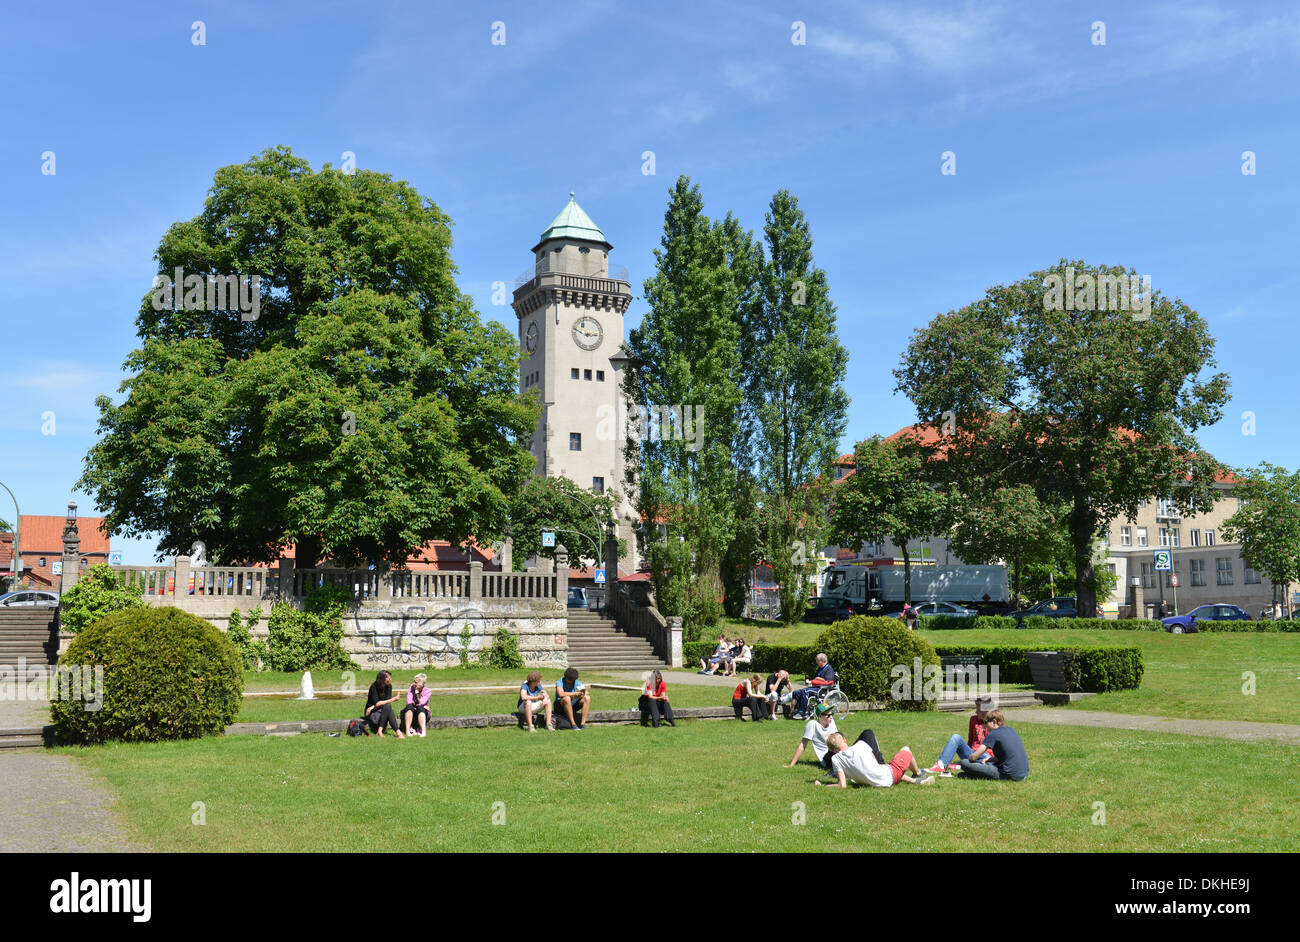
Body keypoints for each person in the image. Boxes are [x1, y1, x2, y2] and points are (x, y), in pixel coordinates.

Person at [817, 732, 933, 787]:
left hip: (870, 782)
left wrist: (824, 785)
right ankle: (918, 774)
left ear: (832, 751)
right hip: (888, 777)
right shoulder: (861, 745)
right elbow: (875, 763)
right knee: (906, 749)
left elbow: (842, 785)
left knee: (887, 770)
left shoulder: (836, 760)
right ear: (844, 739)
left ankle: (917, 782)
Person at [926, 696, 996, 774]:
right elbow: (971, 740)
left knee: (985, 762)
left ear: (986, 711)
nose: (976, 712)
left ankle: (964, 765)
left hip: (987, 758)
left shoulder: (995, 723)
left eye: (978, 710)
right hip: (972, 754)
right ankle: (941, 765)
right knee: (956, 737)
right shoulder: (973, 719)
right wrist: (968, 753)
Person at [958, 710, 1029, 781]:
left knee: (964, 763)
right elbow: (1005, 756)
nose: (984, 726)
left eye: (985, 722)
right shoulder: (1011, 730)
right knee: (985, 766)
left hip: (1007, 774)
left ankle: (971, 774)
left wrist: (971, 761)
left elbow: (974, 757)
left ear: (994, 722)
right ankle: (970, 775)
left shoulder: (993, 734)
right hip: (1023, 775)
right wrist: (988, 759)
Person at [786, 701, 839, 768]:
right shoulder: (812, 725)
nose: (831, 717)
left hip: (837, 752)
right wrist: (791, 764)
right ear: (820, 716)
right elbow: (803, 745)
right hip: (827, 758)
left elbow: (838, 741)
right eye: (828, 715)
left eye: (832, 714)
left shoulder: (831, 722)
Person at [790, 653, 836, 717]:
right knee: (796, 692)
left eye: (817, 661)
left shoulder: (829, 669)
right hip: (816, 687)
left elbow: (829, 681)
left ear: (822, 661)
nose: (816, 662)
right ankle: (794, 710)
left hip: (822, 690)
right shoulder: (820, 669)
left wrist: (818, 679)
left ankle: (802, 712)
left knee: (805, 692)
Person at [364, 671, 404, 739]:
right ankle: (398, 732)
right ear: (382, 679)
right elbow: (377, 703)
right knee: (388, 708)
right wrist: (393, 699)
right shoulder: (374, 687)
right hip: (372, 712)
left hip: (381, 709)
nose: (390, 680)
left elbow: (385, 702)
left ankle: (380, 731)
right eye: (388, 678)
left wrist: (374, 706)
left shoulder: (389, 686)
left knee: (388, 706)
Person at [401, 673, 432, 737]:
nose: (414, 683)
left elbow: (421, 702)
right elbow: (409, 701)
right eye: (414, 681)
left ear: (422, 684)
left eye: (416, 682)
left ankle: (423, 731)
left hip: (423, 712)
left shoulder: (428, 691)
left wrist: (417, 694)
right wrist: (422, 705)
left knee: (420, 708)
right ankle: (407, 730)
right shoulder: (411, 687)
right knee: (409, 706)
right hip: (412, 710)